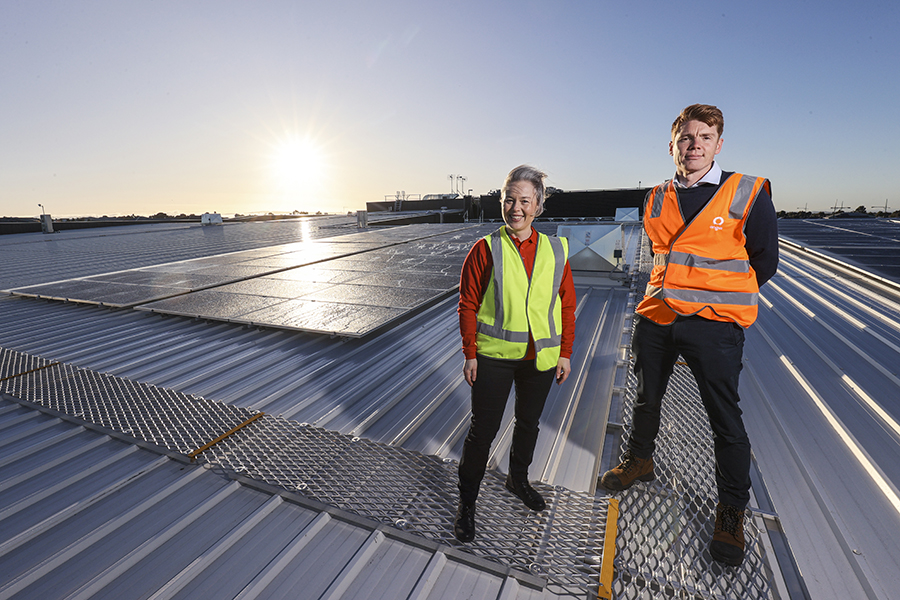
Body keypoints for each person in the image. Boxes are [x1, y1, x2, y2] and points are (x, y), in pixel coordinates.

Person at [599, 104, 778, 567]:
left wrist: (717, 300)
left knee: (724, 419)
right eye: (686, 138)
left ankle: (731, 512)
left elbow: (764, 262)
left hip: (713, 325)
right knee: (646, 396)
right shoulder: (656, 196)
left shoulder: (748, 192)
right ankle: (641, 460)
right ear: (673, 145)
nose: (694, 145)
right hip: (657, 315)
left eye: (704, 137)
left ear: (719, 145)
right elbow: (662, 254)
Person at [454, 165, 577, 543]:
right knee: (484, 431)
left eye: (525, 200)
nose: (516, 207)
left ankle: (517, 480)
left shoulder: (556, 249)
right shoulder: (486, 248)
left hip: (539, 359)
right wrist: (470, 353)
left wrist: (565, 353)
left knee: (528, 423)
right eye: (510, 199)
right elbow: (468, 304)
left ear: (538, 206)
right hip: (492, 357)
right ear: (502, 201)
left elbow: (566, 305)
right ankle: (467, 502)